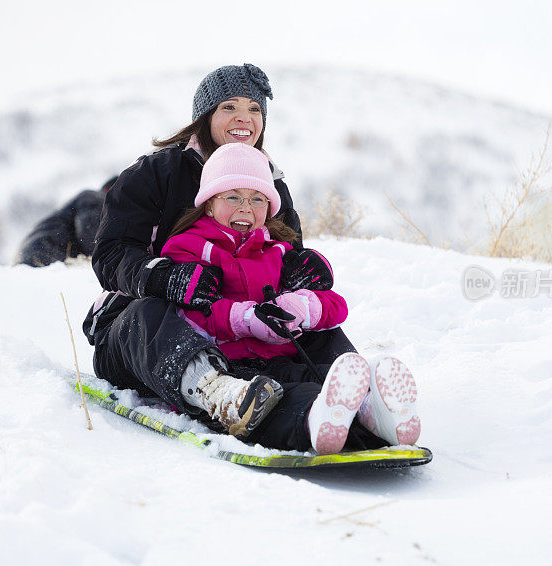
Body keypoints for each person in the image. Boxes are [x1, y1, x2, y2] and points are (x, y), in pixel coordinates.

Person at [82, 63, 417, 451]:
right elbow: (111, 252)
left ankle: (358, 397)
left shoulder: (269, 181)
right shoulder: (156, 173)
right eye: (229, 107)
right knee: (150, 310)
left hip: (245, 334)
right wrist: (160, 276)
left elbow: (282, 253)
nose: (244, 118)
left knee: (310, 326)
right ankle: (216, 390)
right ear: (205, 116)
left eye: (254, 109)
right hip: (144, 339)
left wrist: (304, 273)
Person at [161, 142, 422, 453]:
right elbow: (186, 315)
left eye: (257, 199)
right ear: (208, 204)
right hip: (229, 368)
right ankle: (313, 421)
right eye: (233, 197)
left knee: (322, 381)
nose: (246, 208)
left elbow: (336, 306)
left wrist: (304, 306)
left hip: (280, 356)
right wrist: (246, 319)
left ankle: (373, 411)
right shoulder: (186, 248)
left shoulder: (279, 252)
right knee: (275, 401)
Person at [14, 176, 118, 266]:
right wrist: (110, 258)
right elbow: (89, 232)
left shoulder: (93, 199)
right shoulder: (96, 197)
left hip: (32, 254)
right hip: (42, 255)